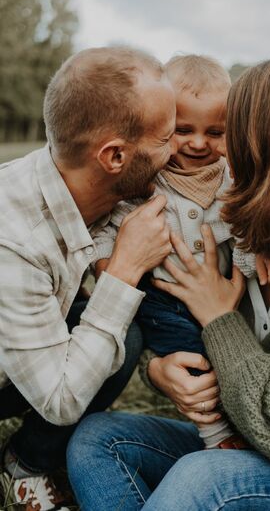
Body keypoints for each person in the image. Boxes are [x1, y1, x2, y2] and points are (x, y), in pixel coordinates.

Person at [67, 53, 270, 511]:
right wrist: (161, 373)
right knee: (97, 440)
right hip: (245, 447)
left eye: (229, 134)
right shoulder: (248, 238)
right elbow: (181, 328)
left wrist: (220, 316)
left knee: (204, 480)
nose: (218, 151)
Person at [0, 46, 177, 510]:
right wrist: (123, 270)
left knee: (126, 338)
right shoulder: (14, 240)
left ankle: (24, 451)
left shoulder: (92, 185)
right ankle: (26, 466)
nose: (176, 149)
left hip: (26, 341)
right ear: (115, 156)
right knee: (104, 338)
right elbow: (60, 400)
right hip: (14, 374)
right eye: (166, 138)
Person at [94, 54, 270, 451]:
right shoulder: (148, 179)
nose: (199, 143)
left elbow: (244, 225)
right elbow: (108, 222)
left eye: (214, 132)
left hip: (221, 296)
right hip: (162, 298)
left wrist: (260, 250)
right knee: (195, 358)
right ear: (161, 125)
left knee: (233, 352)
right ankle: (216, 434)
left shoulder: (234, 180)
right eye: (183, 130)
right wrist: (104, 262)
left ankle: (250, 421)